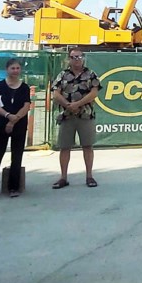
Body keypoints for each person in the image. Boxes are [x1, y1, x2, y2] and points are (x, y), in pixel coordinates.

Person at [51, 47, 101, 189]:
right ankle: (63, 177)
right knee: (64, 147)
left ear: (83, 58)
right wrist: (68, 105)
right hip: (67, 116)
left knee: (87, 146)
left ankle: (89, 176)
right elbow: (56, 93)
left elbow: (94, 93)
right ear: (69, 59)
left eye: (78, 57)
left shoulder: (91, 74)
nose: (76, 60)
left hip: (86, 115)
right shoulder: (63, 75)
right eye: (73, 57)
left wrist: (78, 104)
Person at [0, 58, 32, 199]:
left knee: (16, 157)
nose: (15, 71)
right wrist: (7, 115)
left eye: (18, 68)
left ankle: (13, 187)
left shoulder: (25, 87)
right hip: (0, 125)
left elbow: (26, 105)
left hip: (19, 125)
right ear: (7, 70)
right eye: (13, 68)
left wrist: (14, 119)